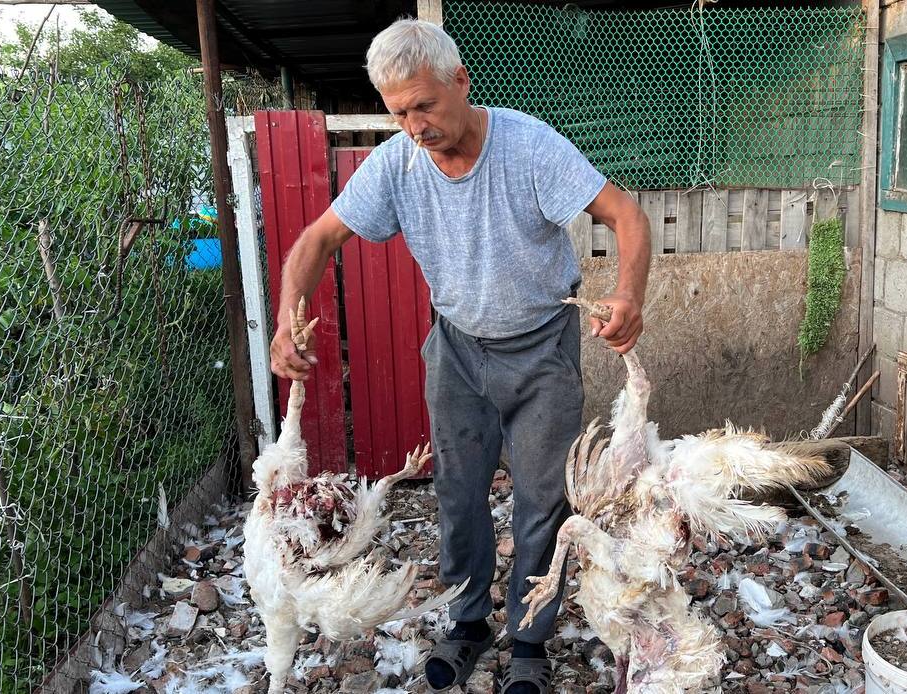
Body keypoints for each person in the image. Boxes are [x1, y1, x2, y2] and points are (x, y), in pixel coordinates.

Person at [268, 18, 650, 694]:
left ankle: (529, 640)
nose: (415, 125)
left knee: (541, 502)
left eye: (424, 106)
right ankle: (468, 622)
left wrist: (627, 295)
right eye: (399, 113)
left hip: (542, 350)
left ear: (460, 82)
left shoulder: (529, 146)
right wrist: (284, 321)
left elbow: (625, 215)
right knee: (459, 495)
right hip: (456, 351)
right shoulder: (398, 163)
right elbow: (316, 241)